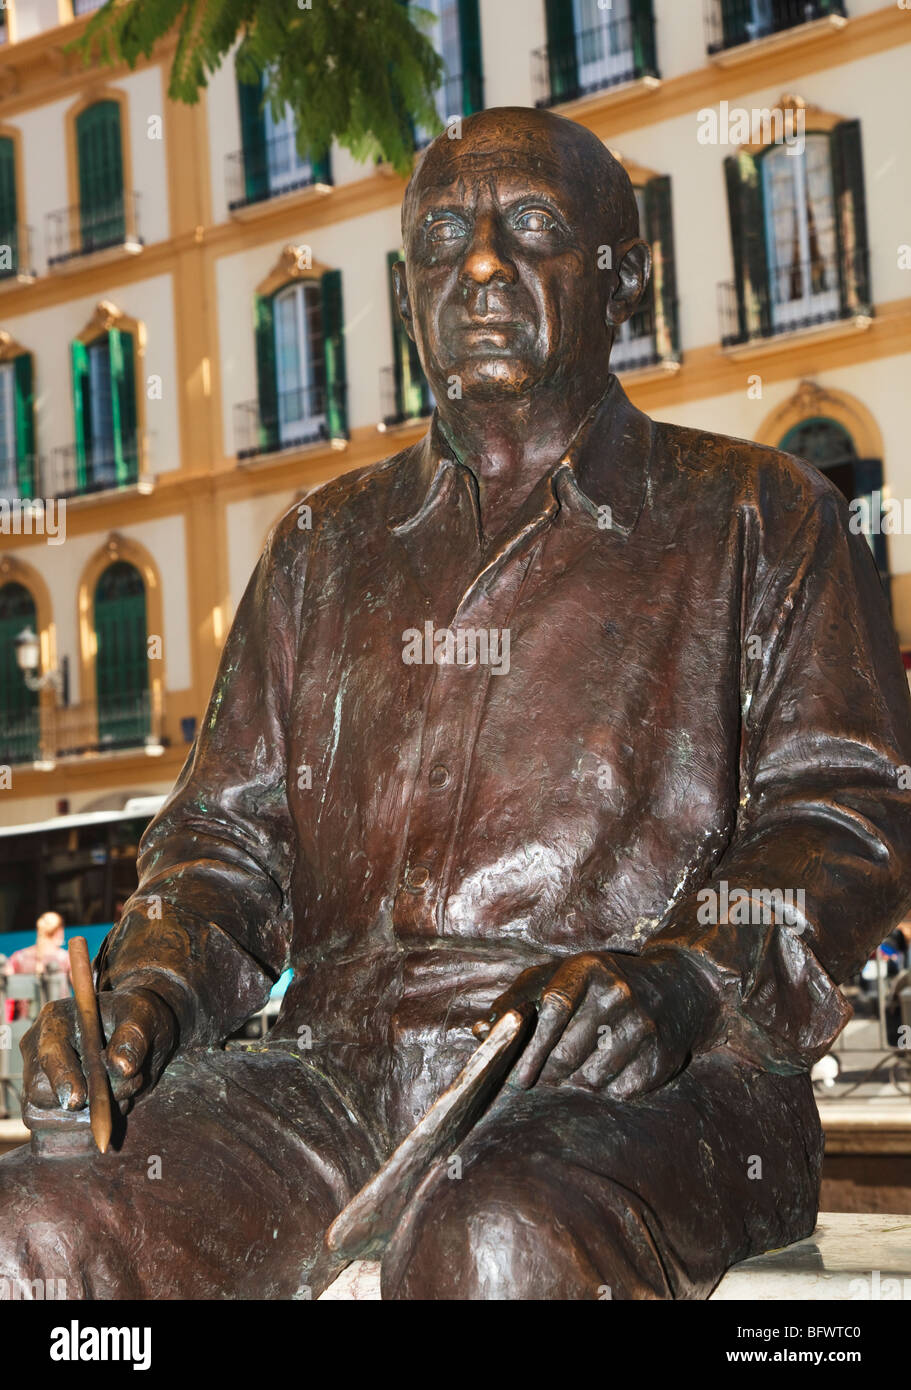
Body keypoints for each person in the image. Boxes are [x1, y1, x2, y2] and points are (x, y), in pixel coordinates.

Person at [1, 107, 910, 1300]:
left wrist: (687, 976)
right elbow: (220, 849)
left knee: (493, 1240)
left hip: (642, 1084)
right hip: (330, 1077)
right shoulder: (321, 545)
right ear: (408, 289)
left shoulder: (761, 515)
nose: (478, 263)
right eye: (440, 236)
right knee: (35, 1228)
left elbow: (845, 816)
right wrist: (139, 997)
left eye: (529, 226)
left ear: (621, 280)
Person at [3, 912, 70, 1022]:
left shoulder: (19, 957)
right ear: (59, 931)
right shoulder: (64, 958)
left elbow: (5, 984)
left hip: (25, 1025)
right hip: (59, 1022)